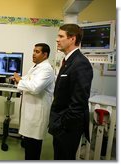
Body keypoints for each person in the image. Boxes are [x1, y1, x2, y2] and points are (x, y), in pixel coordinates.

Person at [48, 24, 93, 160]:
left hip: (67, 127)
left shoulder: (80, 63)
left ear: (72, 39)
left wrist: (63, 125)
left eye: (61, 36)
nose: (57, 40)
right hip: (60, 123)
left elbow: (79, 102)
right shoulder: (67, 61)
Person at [12, 43, 55, 160]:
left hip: (37, 113)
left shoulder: (46, 69)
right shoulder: (36, 66)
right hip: (31, 111)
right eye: (33, 51)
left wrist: (20, 80)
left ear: (45, 54)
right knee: (29, 145)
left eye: (37, 52)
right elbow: (27, 79)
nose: (33, 54)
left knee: (34, 147)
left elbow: (35, 87)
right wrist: (18, 79)